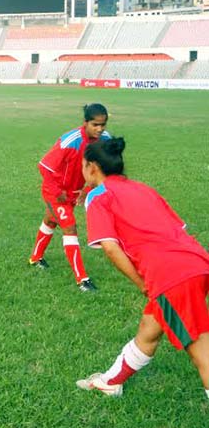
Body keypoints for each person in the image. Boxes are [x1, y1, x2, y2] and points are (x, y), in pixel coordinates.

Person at [75, 137, 209, 400]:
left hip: (171, 277)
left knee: (201, 351)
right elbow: (178, 228)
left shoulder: (98, 196)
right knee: (150, 327)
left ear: (92, 167)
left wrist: (144, 285)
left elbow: (111, 248)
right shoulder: (142, 189)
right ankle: (110, 382)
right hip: (198, 262)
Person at [27, 103, 112, 292]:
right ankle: (82, 279)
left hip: (74, 192)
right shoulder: (70, 140)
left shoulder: (105, 140)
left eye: (103, 125)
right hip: (56, 192)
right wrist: (58, 193)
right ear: (85, 123)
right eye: (95, 125)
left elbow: (101, 167)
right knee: (70, 227)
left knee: (50, 221)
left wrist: (86, 189)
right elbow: (45, 167)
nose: (100, 129)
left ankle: (35, 258)